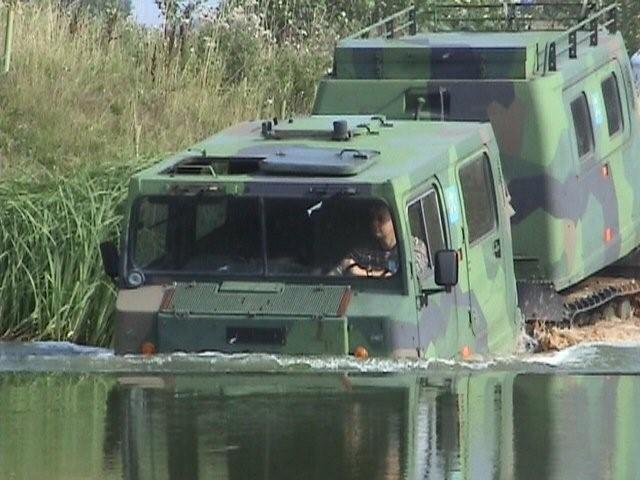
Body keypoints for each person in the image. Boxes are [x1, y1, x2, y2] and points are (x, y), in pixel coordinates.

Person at [333, 203, 428, 278]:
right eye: (372, 217)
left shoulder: (414, 248)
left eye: (380, 219)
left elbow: (408, 277)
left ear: (395, 219)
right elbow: (338, 270)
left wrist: (363, 273)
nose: (374, 223)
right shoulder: (363, 249)